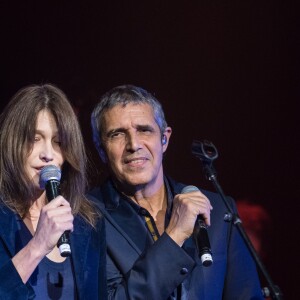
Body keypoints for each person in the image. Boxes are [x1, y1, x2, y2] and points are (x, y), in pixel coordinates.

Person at [89, 84, 263, 299]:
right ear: (100, 149)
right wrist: (175, 235)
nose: (133, 144)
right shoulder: (88, 217)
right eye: (117, 134)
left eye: (144, 130)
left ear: (165, 139)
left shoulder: (218, 211)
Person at [0, 84, 107, 299]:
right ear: (12, 142)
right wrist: (38, 245)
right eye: (34, 139)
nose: (48, 154)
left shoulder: (88, 221)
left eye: (58, 142)